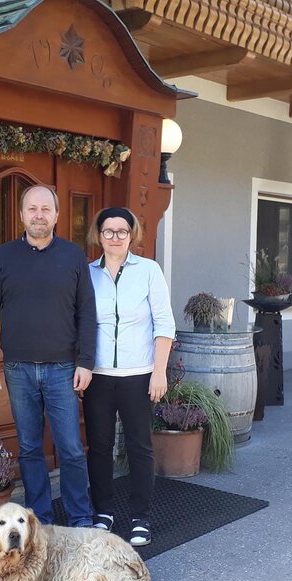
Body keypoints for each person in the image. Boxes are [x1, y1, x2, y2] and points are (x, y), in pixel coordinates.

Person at [0, 185, 96, 528]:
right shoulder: (4, 256)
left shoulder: (73, 256)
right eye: (32, 208)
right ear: (21, 214)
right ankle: (40, 519)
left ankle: (80, 519)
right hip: (18, 369)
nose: (39, 215)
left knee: (71, 449)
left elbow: (86, 313)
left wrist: (85, 362)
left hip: (63, 369)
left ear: (57, 215)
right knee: (29, 448)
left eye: (46, 209)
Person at [83, 207, 175, 547]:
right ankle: (103, 512)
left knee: (139, 446)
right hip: (99, 377)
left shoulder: (148, 271)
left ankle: (141, 517)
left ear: (131, 234)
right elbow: (81, 324)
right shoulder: (87, 273)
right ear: (99, 235)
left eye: (122, 231)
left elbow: (164, 323)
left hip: (139, 375)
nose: (116, 237)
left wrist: (159, 372)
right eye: (109, 231)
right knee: (99, 447)